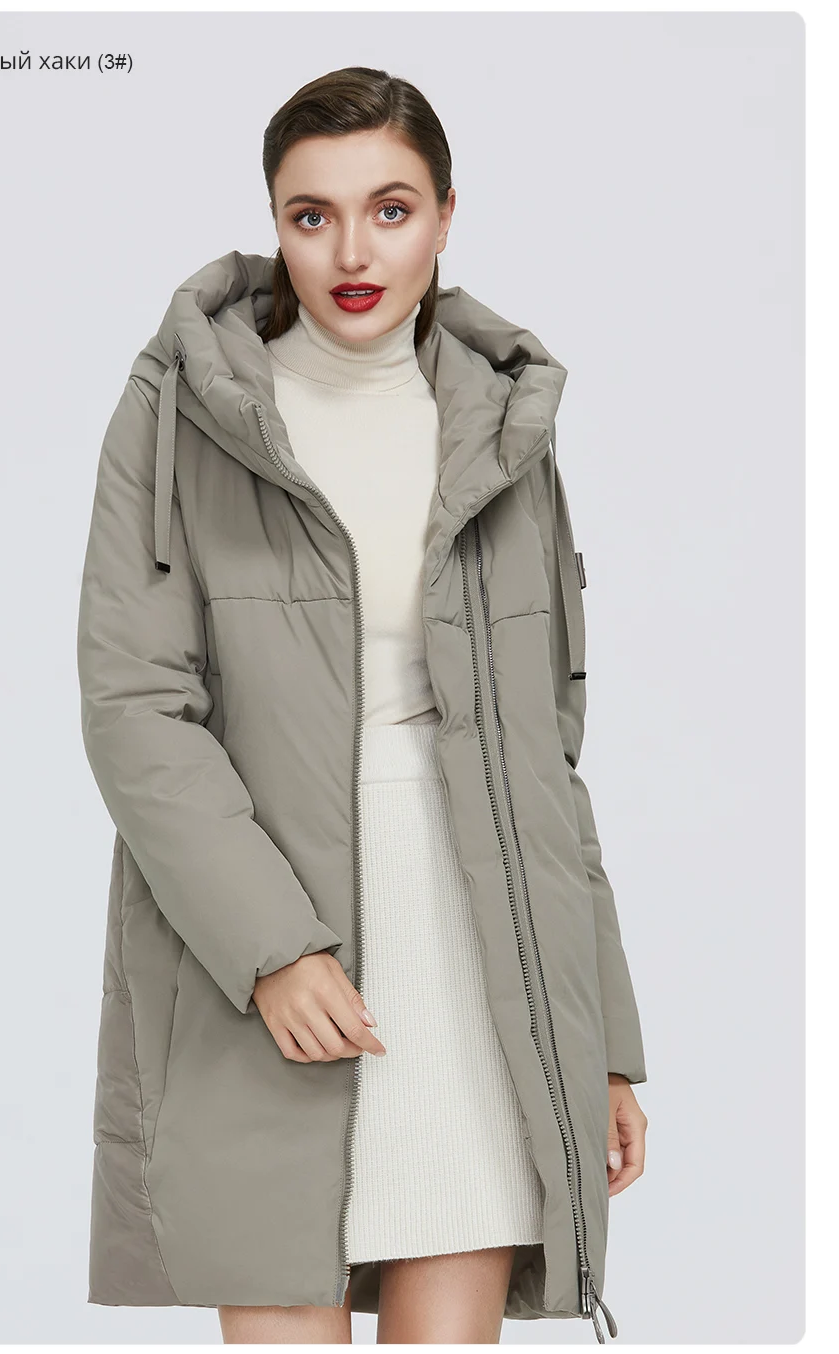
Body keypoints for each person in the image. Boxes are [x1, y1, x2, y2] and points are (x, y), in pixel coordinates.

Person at [77, 65, 648, 1345]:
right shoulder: (183, 411)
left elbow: (549, 752)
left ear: (446, 215)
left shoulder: (502, 423)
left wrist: (602, 1037)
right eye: (312, 214)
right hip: (266, 942)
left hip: (483, 942)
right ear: (275, 223)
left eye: (390, 209)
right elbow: (134, 707)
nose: (351, 251)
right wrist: (273, 947)